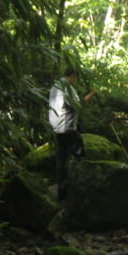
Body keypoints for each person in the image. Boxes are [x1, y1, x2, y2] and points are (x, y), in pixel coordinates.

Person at [48, 68, 97, 200]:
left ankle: (62, 192)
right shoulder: (66, 87)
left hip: (57, 128)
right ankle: (82, 190)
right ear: (72, 76)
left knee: (62, 160)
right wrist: (92, 94)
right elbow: (77, 105)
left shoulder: (55, 85)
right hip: (67, 127)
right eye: (75, 78)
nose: (75, 81)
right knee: (80, 156)